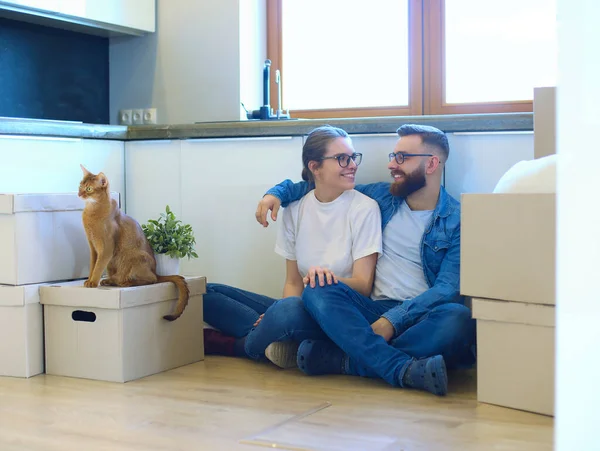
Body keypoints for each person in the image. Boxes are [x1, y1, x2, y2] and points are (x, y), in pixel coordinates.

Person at [255, 124, 476, 396]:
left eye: (402, 158)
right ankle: (400, 368)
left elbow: (447, 289)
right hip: (369, 310)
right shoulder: (383, 196)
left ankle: (341, 360)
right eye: (392, 156)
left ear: (431, 164)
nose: (392, 165)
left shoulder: (459, 220)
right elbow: (320, 183)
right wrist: (276, 193)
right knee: (318, 286)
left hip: (421, 317)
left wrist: (392, 322)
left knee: (458, 318)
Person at [203, 125, 383, 367]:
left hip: (339, 314)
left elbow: (363, 285)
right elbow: (293, 282)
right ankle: (275, 338)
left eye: (353, 157)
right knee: (203, 293)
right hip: (299, 310)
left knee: (286, 313)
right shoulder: (296, 209)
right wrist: (281, 313)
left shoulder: (365, 209)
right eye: (342, 159)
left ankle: (241, 347)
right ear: (315, 167)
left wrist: (328, 281)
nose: (352, 165)